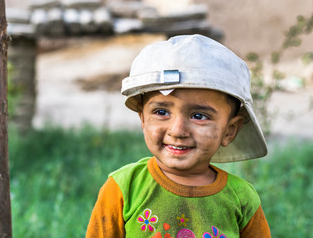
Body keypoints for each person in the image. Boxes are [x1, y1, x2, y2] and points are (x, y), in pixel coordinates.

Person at [86, 34, 271, 238]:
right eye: (161, 112)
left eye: (199, 116)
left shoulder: (242, 198)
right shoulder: (124, 188)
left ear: (230, 130)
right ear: (143, 119)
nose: (177, 130)